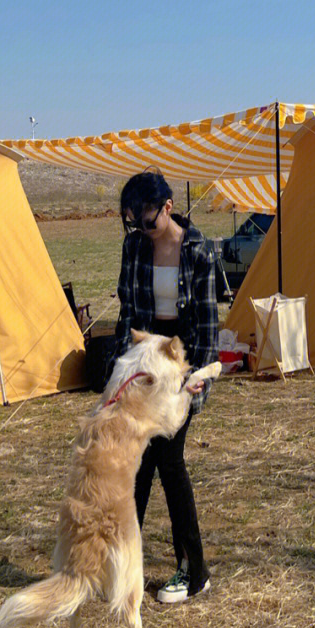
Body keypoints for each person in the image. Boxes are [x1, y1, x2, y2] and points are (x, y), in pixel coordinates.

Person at [110, 168, 218, 604]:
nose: (142, 229)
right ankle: (122, 567)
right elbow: (127, 313)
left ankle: (195, 572)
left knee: (169, 465)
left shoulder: (200, 252)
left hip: (180, 364)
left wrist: (197, 386)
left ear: (169, 208)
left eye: (148, 220)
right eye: (134, 222)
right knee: (136, 467)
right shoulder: (134, 246)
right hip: (144, 363)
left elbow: (209, 328)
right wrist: (121, 375)